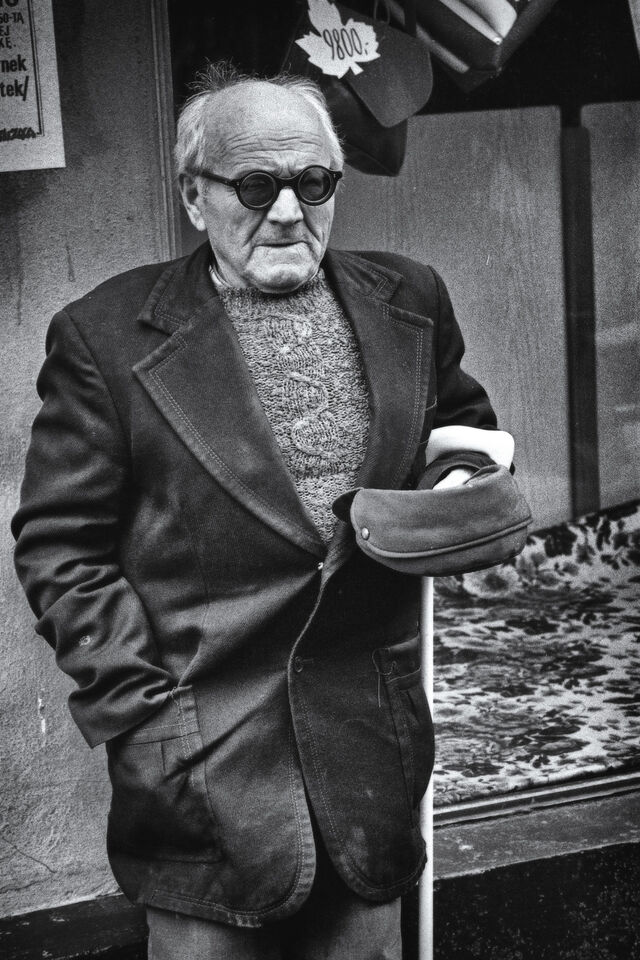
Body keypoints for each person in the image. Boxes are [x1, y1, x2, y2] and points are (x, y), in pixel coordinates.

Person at [12, 63, 502, 959]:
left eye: (313, 184)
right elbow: (59, 548)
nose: (286, 212)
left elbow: (462, 431)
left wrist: (454, 494)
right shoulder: (104, 335)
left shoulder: (410, 300)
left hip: (368, 757)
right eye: (253, 186)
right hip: (201, 763)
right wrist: (141, 709)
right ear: (194, 198)